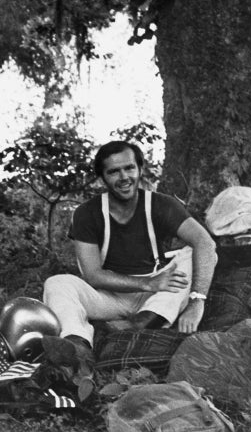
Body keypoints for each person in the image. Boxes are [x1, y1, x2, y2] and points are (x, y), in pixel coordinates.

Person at [43, 141, 217, 355]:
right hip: (110, 296)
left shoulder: (161, 204)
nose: (124, 177)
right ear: (103, 177)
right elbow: (94, 276)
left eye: (129, 168)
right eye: (114, 171)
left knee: (194, 254)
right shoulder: (86, 213)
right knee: (57, 283)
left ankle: (143, 321)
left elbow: (205, 242)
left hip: (158, 296)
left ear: (140, 169)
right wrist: (147, 283)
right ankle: (77, 346)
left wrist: (196, 302)